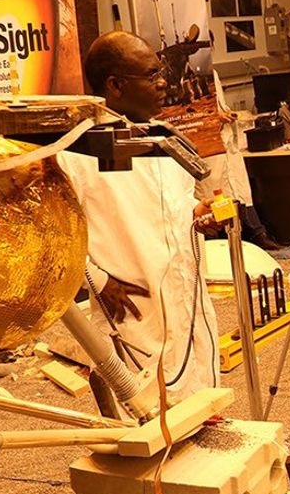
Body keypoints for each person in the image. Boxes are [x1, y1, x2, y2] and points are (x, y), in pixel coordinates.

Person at [56, 30, 221, 404]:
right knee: (143, 413)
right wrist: (97, 280)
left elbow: (173, 208)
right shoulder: (76, 153)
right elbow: (56, 237)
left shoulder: (164, 139)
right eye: (151, 75)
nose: (164, 83)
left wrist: (197, 214)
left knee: (201, 403)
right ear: (115, 85)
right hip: (134, 310)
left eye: (160, 72)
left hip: (186, 299)